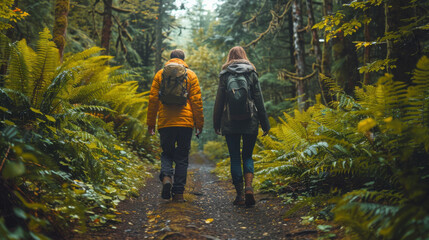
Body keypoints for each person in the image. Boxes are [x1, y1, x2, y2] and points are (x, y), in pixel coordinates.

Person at [213, 46, 270, 207]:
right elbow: (259, 100)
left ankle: (239, 195)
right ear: (244, 56)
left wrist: (216, 123)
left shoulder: (225, 75)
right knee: (248, 156)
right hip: (250, 120)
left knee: (235, 157)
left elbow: (219, 102)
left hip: (230, 121)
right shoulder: (251, 72)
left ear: (229, 57)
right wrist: (265, 124)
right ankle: (249, 188)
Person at [147, 49, 204, 202]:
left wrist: (151, 123)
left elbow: (153, 100)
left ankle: (166, 177)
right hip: (185, 123)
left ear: (170, 59)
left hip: (166, 122)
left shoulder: (160, 74)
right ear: (183, 59)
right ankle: (178, 193)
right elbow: (196, 102)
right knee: (182, 157)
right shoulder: (190, 74)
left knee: (167, 153)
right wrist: (199, 124)